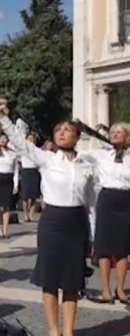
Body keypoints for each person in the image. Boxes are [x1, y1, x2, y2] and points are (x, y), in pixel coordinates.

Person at [0, 98, 95, 336]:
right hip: (52, 222)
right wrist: (4, 117)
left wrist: (93, 235)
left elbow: (91, 203)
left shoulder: (87, 165)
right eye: (58, 130)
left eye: (67, 130)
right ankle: (53, 329)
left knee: (73, 280)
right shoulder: (46, 159)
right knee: (50, 279)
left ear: (77, 137)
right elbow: (21, 144)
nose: (62, 133)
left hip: (77, 223)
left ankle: (69, 330)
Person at [82, 123, 130, 305]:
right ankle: (106, 290)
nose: (116, 135)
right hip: (107, 199)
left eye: (120, 132)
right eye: (113, 132)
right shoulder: (101, 155)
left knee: (123, 247)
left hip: (126, 200)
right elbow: (79, 155)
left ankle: (121, 289)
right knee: (104, 246)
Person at [20, 133, 42, 223]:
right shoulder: (23, 150)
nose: (31, 140)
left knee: (33, 196)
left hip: (35, 171)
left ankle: (31, 214)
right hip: (26, 171)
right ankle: (25, 213)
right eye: (29, 139)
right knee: (25, 196)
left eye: (32, 139)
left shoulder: (37, 150)